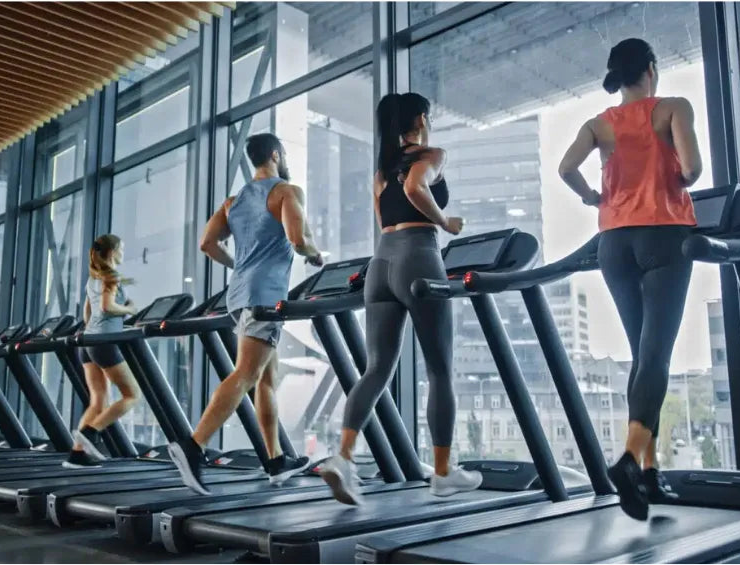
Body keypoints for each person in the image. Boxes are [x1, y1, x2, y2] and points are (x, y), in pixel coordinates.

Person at [558, 38, 702, 520]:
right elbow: (694, 170)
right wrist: (671, 178)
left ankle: (650, 473)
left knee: (643, 357)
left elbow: (565, 169)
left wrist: (591, 197)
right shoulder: (673, 108)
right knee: (656, 354)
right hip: (665, 236)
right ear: (652, 69)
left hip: (613, 242)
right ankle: (627, 460)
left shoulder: (599, 124)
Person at [319, 92, 481, 506]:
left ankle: (344, 456)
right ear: (421, 118)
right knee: (440, 369)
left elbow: (383, 217)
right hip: (419, 255)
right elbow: (415, 186)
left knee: (376, 369)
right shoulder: (432, 154)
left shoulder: (380, 169)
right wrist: (446, 223)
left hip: (381, 263)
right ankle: (443, 472)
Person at [167, 133, 321, 494]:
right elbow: (298, 240)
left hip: (239, 295)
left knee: (266, 378)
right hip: (265, 296)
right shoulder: (286, 191)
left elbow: (208, 244)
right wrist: (314, 254)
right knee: (247, 374)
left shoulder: (232, 202)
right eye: (281, 153)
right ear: (275, 154)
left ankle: (275, 460)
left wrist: (239, 265)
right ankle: (193, 446)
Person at [64, 234, 142, 469]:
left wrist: (97, 328)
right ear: (112, 252)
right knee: (132, 395)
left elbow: (87, 314)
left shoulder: (93, 279)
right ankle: (91, 432)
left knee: (98, 400)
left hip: (88, 342)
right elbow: (107, 306)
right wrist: (129, 308)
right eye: (121, 249)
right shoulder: (111, 275)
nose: (123, 253)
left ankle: (77, 455)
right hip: (104, 343)